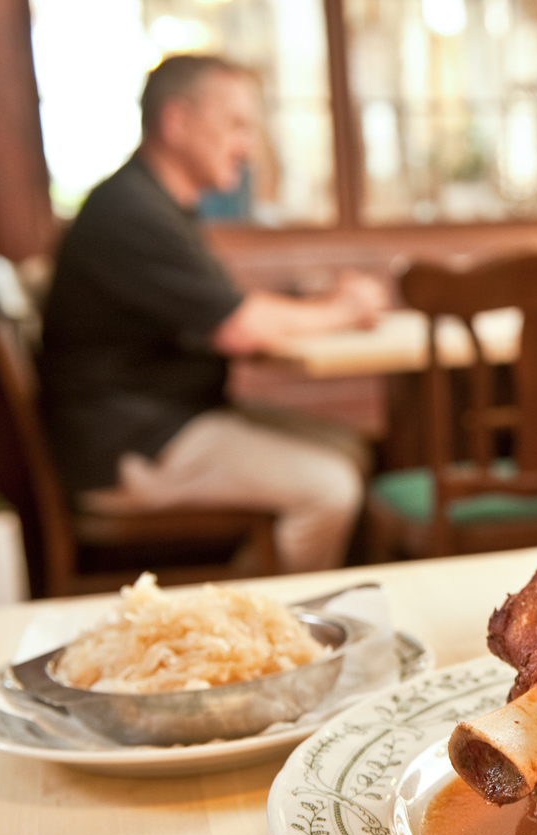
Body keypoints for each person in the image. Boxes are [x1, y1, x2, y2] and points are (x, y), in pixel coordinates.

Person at [40, 54, 386, 574]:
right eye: (236, 125)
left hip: (165, 421)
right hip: (134, 446)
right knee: (331, 487)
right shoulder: (129, 211)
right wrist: (345, 308)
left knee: (349, 447)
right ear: (176, 121)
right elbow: (240, 327)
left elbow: (227, 311)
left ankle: (250, 606)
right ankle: (259, 633)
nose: (247, 146)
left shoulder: (153, 203)